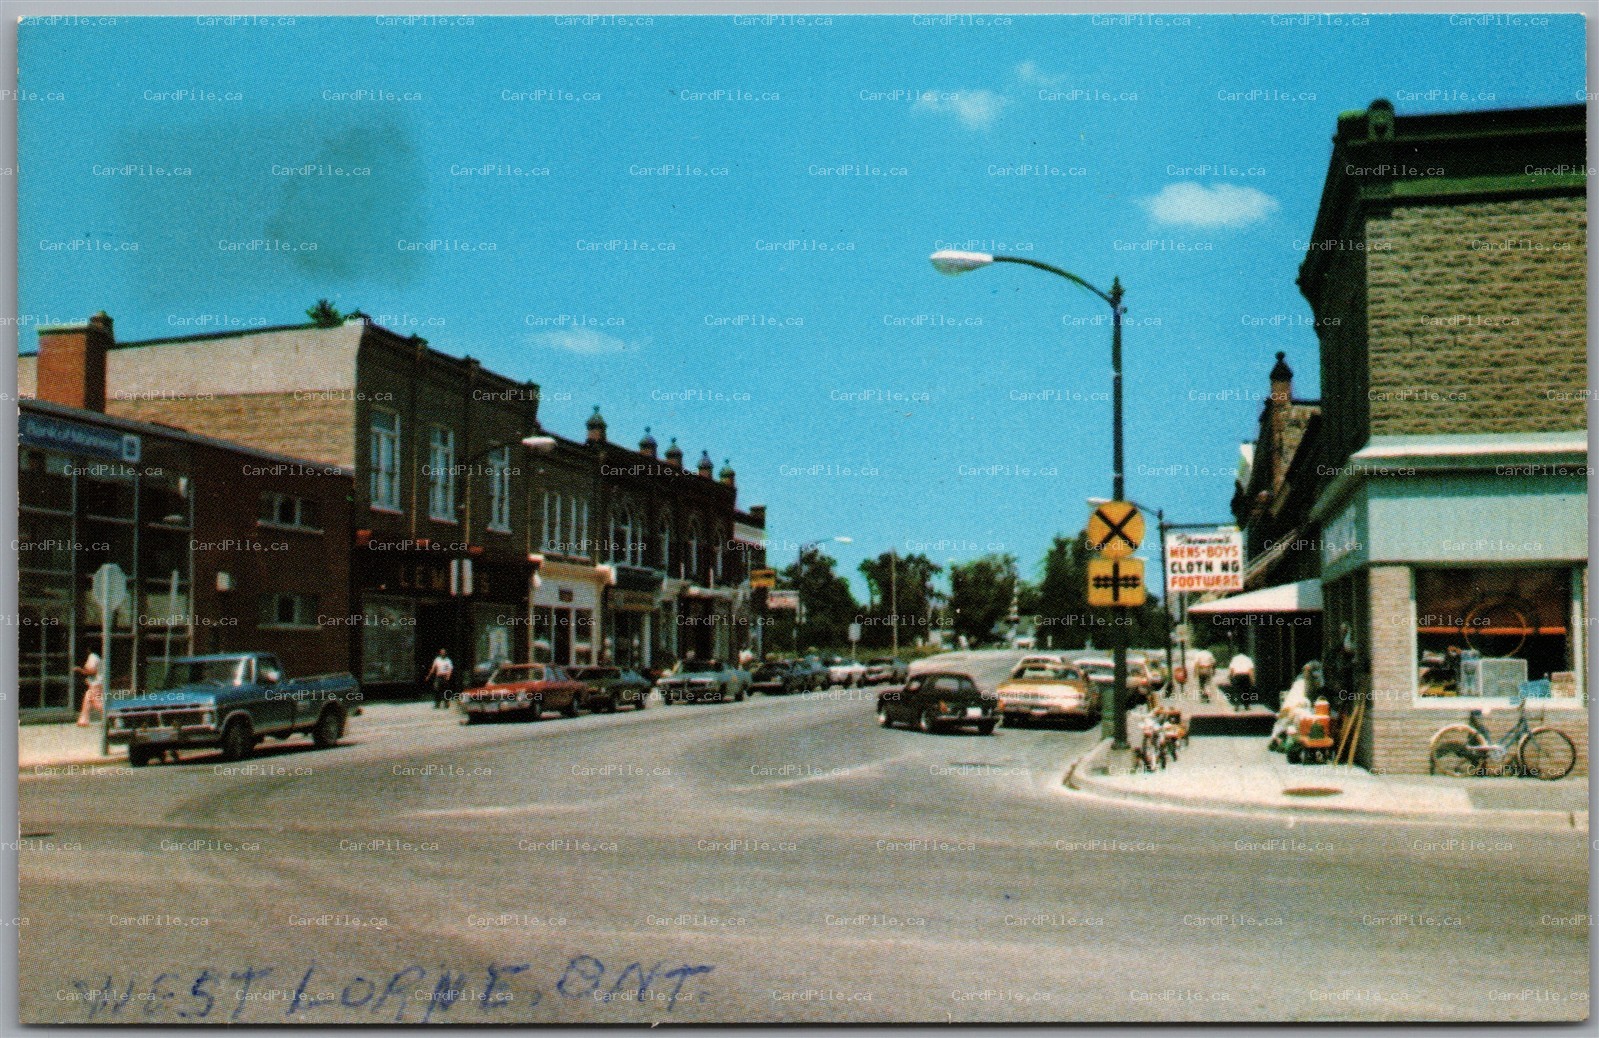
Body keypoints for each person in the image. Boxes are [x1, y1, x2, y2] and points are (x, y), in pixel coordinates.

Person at [74, 650, 104, 727]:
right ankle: (83, 720)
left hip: (95, 684)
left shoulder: (93, 657)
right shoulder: (97, 657)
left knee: (96, 702)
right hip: (96, 683)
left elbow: (92, 671)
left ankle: (113, 717)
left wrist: (80, 670)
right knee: (87, 700)